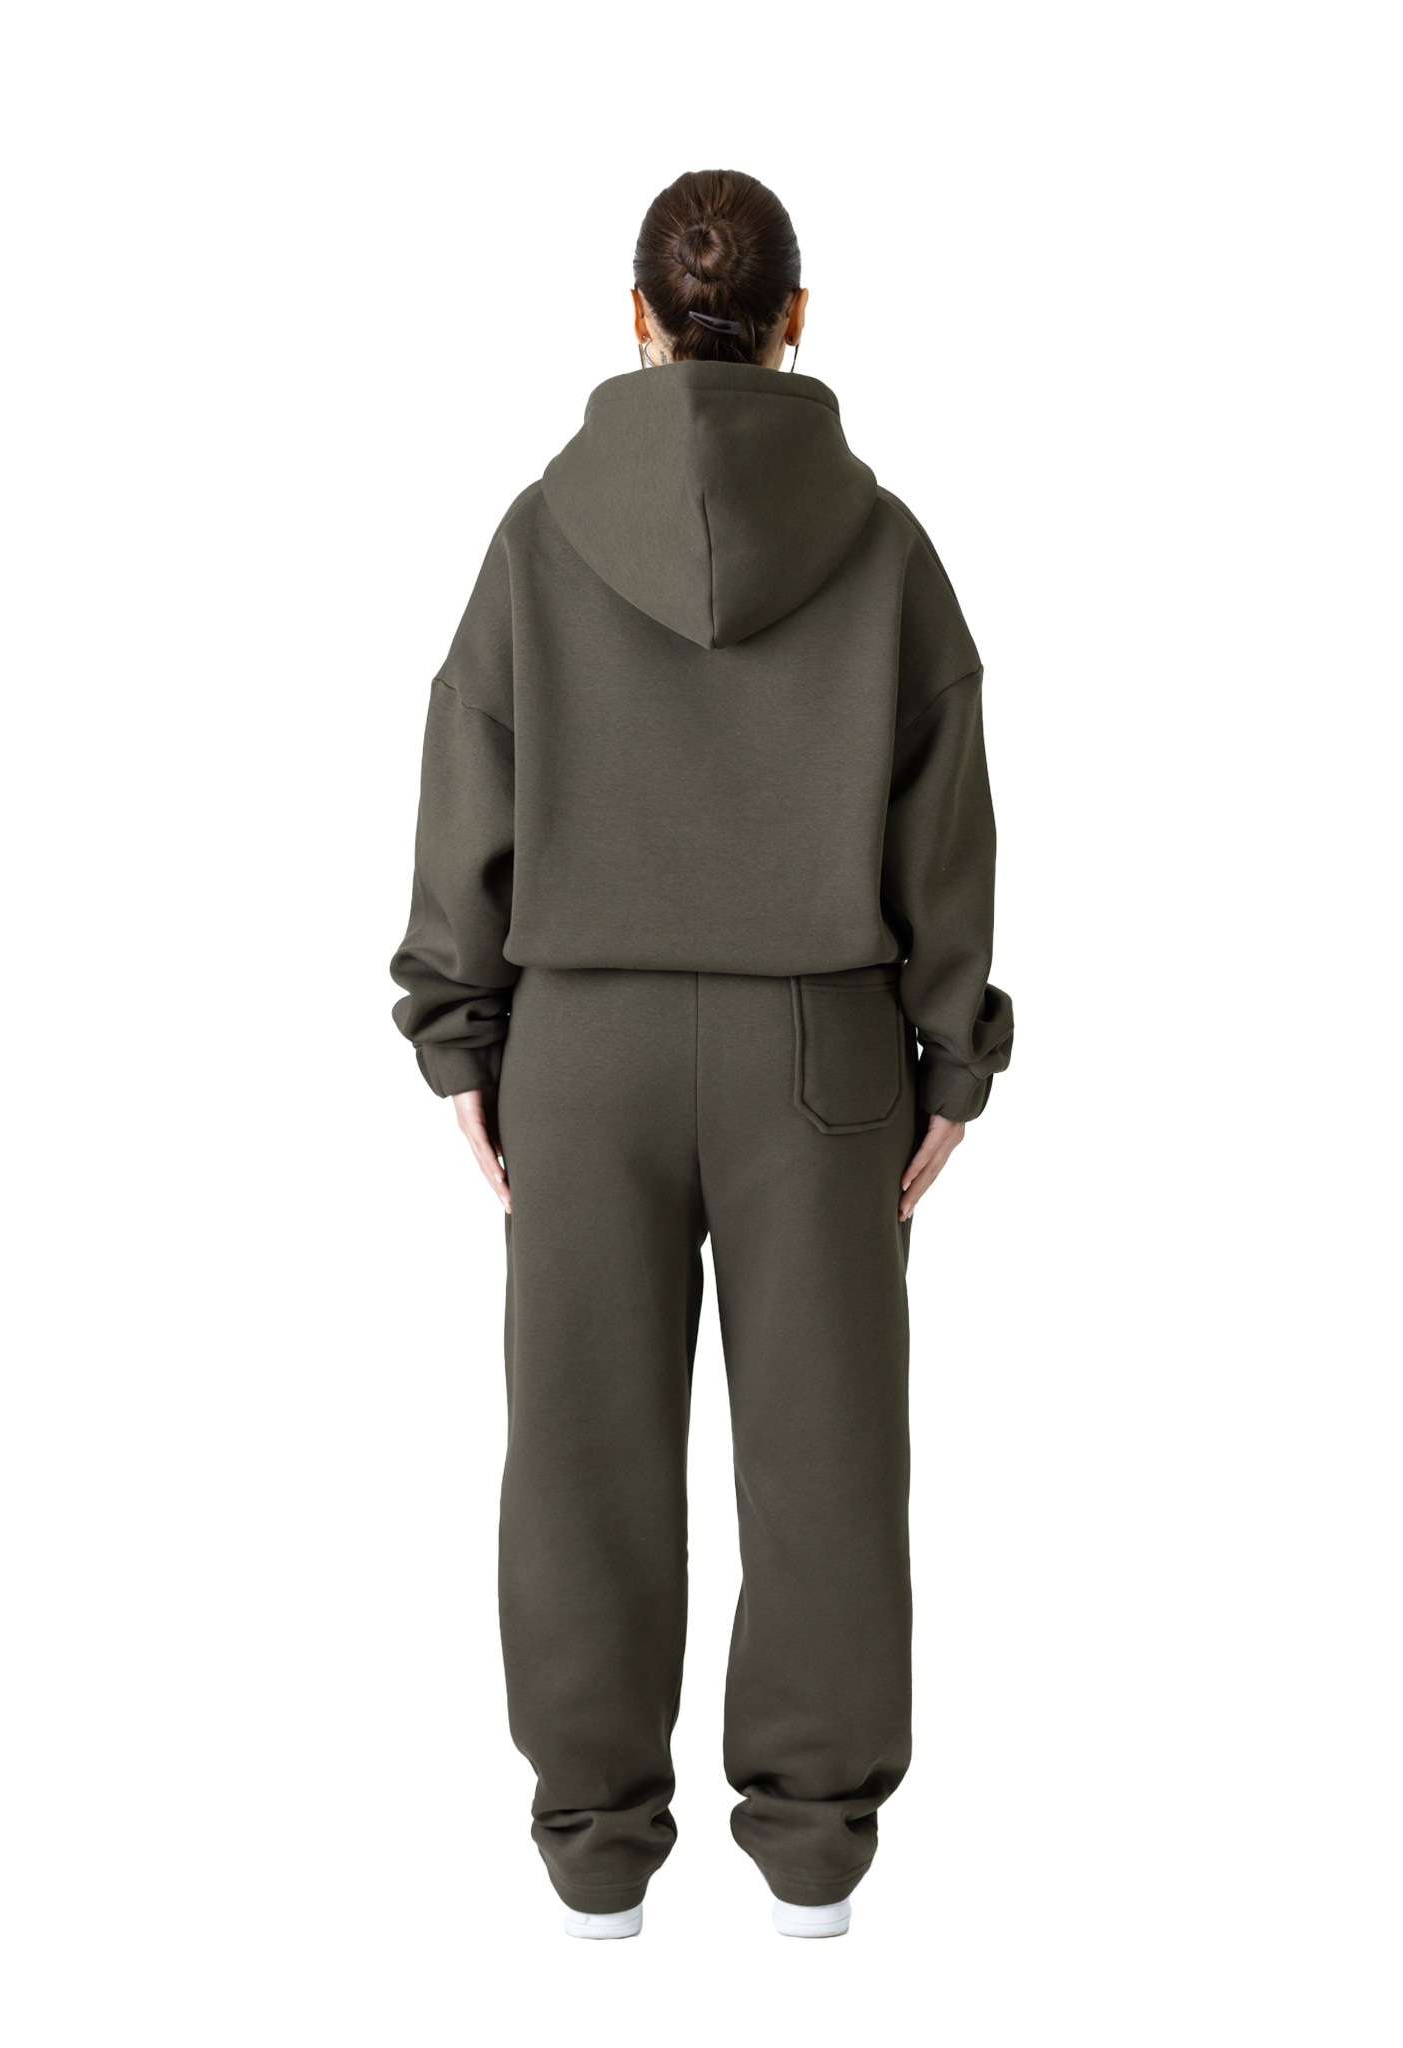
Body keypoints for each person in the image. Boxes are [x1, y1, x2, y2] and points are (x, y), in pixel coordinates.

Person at [390, 166, 1012, 1941]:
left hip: (582, 1052)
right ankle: (815, 1840)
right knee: (827, 1452)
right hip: (821, 1051)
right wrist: (952, 1060)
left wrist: (460, 1036)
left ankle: (595, 1840)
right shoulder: (884, 543)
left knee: (579, 1458)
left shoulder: (537, 533)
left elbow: (468, 780)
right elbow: (945, 822)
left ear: (638, 318)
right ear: (796, 319)